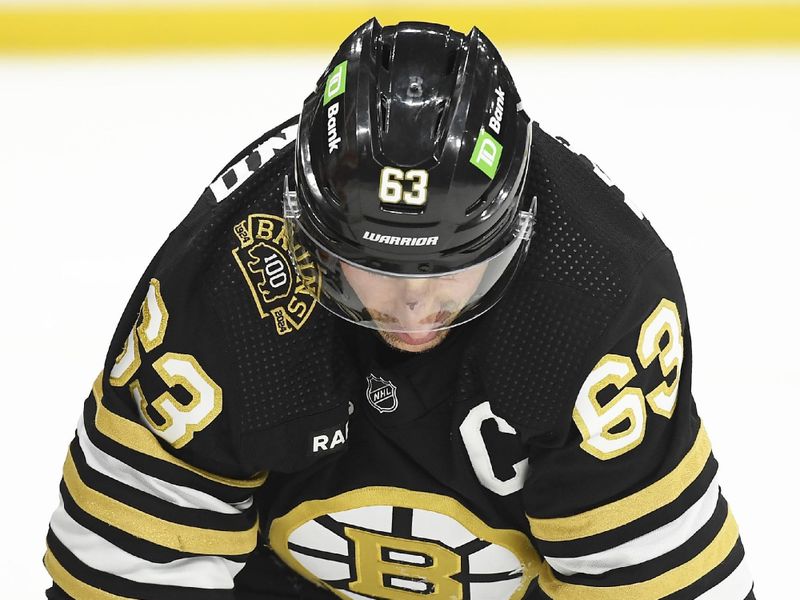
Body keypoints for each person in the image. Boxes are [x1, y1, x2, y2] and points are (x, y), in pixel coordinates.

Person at [43, 18, 755, 600]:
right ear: (308, 227)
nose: (415, 306)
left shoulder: (595, 293)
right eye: (381, 266)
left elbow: (651, 585)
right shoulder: (234, 277)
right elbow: (125, 572)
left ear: (518, 228)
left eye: (450, 264)